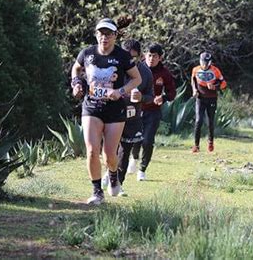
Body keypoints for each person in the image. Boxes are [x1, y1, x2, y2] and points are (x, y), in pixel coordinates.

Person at [71, 18, 142, 205]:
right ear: (96, 35)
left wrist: (119, 92)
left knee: (110, 154)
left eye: (109, 34)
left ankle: (113, 175)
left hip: (114, 110)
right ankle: (96, 192)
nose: (104, 37)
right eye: (101, 34)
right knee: (92, 150)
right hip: (91, 107)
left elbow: (136, 79)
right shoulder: (87, 53)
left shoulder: (122, 56)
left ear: (115, 36)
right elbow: (76, 69)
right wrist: (77, 83)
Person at [102, 39, 154, 195]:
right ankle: (109, 174)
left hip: (132, 116)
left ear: (139, 57)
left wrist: (142, 98)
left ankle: (118, 183)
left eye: (134, 58)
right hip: (112, 113)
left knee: (125, 150)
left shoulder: (145, 73)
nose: (130, 61)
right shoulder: (110, 69)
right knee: (111, 149)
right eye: (127, 57)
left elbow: (151, 96)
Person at [132, 43, 176, 181]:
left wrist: (163, 98)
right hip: (136, 110)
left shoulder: (164, 73)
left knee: (147, 141)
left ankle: (142, 169)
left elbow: (172, 93)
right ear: (144, 55)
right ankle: (133, 158)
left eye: (154, 56)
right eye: (149, 55)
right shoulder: (137, 68)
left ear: (160, 58)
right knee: (135, 139)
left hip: (153, 111)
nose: (151, 58)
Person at [191, 52, 227, 153]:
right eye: (203, 62)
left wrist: (215, 87)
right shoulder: (195, 69)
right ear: (200, 61)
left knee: (210, 121)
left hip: (211, 98)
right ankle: (196, 146)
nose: (205, 65)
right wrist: (194, 90)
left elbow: (224, 84)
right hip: (200, 98)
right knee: (198, 121)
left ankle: (210, 141)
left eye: (207, 62)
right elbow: (193, 80)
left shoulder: (215, 71)